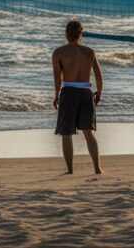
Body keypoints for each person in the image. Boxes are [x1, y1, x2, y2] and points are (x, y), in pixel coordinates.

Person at [51, 20, 103, 175]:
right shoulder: (90, 52)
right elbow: (99, 76)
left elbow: (57, 78)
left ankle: (70, 170)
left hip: (69, 92)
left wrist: (56, 95)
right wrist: (99, 92)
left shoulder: (59, 52)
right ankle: (97, 168)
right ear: (81, 35)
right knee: (88, 133)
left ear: (66, 34)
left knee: (66, 133)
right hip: (86, 93)